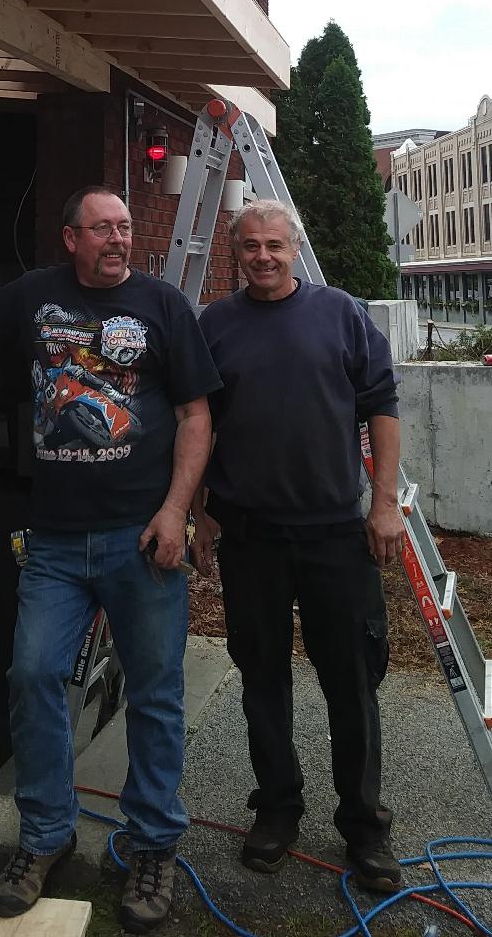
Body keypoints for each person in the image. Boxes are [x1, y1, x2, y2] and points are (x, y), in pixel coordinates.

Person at [0, 185, 221, 932]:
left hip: (142, 538)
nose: (118, 238)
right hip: (55, 543)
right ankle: (44, 836)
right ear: (70, 238)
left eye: (125, 227)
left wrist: (176, 512)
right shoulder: (37, 297)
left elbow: (197, 414)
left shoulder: (163, 307)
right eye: (102, 228)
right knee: (33, 673)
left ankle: (152, 846)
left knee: (156, 692)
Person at [191, 199, 406, 894]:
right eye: (249, 246)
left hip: (335, 536)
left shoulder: (341, 315)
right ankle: (277, 809)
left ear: (295, 248)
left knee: (351, 681)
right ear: (235, 251)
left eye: (274, 246)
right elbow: (196, 425)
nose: (262, 256)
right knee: (262, 679)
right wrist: (195, 514)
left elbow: (383, 408)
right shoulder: (214, 327)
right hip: (250, 537)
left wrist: (382, 505)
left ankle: (364, 826)